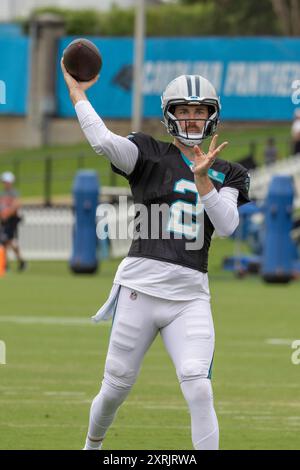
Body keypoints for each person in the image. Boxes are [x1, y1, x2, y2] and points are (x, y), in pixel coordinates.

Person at [61, 61, 250, 451]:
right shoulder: (147, 154)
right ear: (170, 115)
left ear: (213, 116)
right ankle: (91, 447)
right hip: (139, 290)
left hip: (189, 296)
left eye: (200, 111)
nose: (193, 117)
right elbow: (103, 142)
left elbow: (228, 225)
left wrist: (203, 180)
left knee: (198, 386)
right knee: (114, 389)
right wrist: (79, 94)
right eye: (184, 110)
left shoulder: (229, 171)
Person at [0, 172, 26, 271]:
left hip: (11, 221)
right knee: (7, 241)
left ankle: (6, 264)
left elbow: (16, 205)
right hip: (4, 221)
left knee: (7, 241)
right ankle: (19, 262)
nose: (5, 184)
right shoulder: (2, 194)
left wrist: (7, 213)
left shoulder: (14, 193)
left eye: (7, 182)